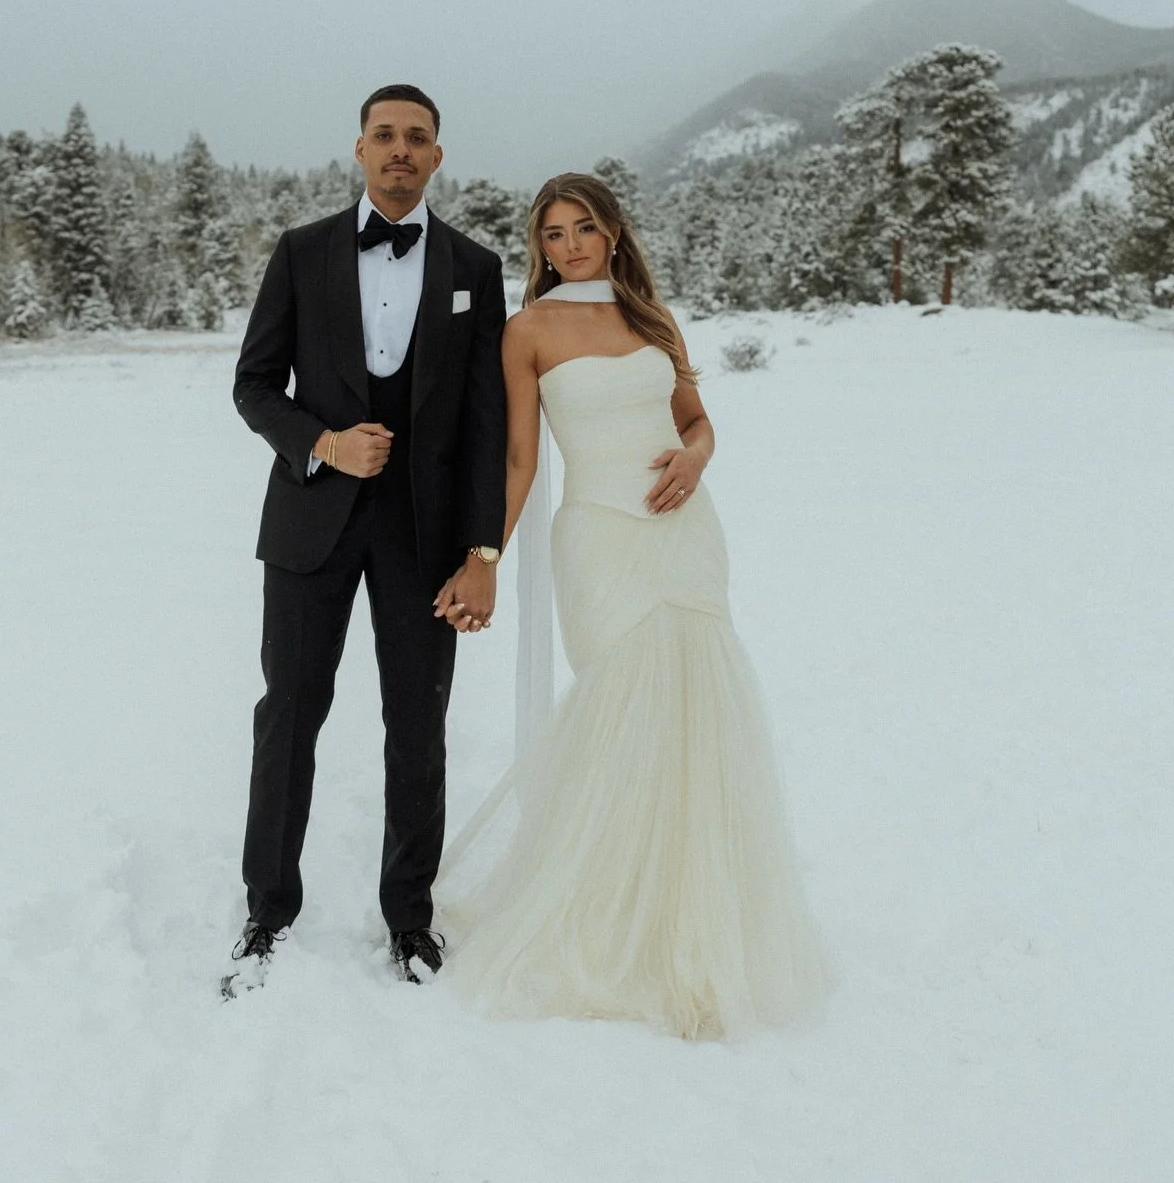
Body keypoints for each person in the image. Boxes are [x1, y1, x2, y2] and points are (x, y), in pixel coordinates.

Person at [440, 173, 829, 1038]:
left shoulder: (653, 318)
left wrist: (696, 458)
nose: (569, 245)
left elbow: (697, 421)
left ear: (613, 231)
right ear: (539, 247)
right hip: (600, 539)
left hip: (684, 531)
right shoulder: (527, 330)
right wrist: (483, 556)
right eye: (552, 234)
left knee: (697, 710)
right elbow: (518, 459)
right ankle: (605, 912)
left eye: (583, 227)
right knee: (623, 706)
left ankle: (693, 919)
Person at [224, 85, 506, 994]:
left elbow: (487, 423)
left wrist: (482, 551)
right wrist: (324, 442)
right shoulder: (302, 251)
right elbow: (254, 384)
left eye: (416, 137)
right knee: (290, 715)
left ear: (437, 156)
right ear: (359, 148)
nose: (399, 149)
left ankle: (410, 917)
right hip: (311, 520)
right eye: (384, 134)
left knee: (418, 726)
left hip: (425, 536)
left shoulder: (475, 266)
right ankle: (267, 911)